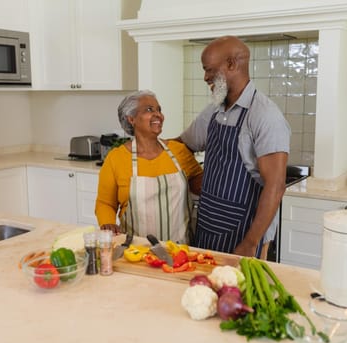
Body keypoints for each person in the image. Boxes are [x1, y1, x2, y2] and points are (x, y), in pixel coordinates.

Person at [179, 36, 290, 258]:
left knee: (238, 292)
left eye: (209, 70)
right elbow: (184, 144)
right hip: (208, 224)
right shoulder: (214, 110)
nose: (205, 77)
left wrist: (250, 243)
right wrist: (193, 174)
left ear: (231, 64)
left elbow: (275, 187)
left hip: (245, 233)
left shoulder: (264, 115)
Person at [95, 90, 203, 244]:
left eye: (159, 109)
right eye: (149, 110)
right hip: (136, 252)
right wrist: (107, 223)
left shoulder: (179, 151)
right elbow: (105, 203)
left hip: (181, 251)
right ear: (131, 119)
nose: (158, 114)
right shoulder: (116, 158)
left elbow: (201, 183)